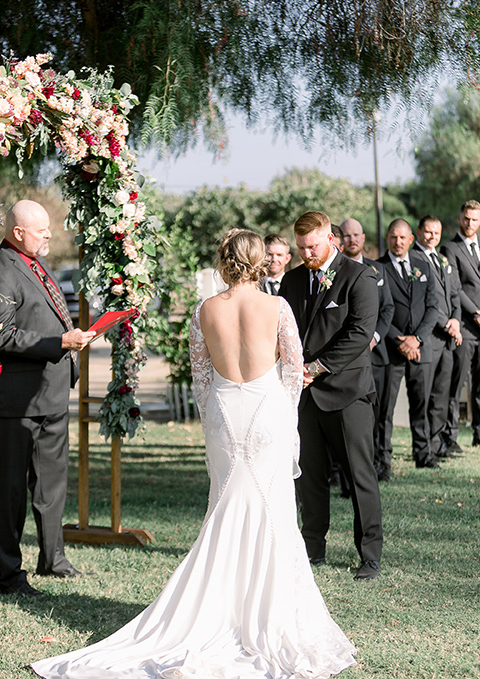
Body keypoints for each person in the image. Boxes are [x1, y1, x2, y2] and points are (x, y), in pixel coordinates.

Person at [32, 228, 357, 679]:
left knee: (224, 507)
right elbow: (291, 368)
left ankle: (215, 608)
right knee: (274, 513)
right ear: (260, 261)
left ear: (225, 260)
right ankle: (267, 613)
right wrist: (285, 422)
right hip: (267, 415)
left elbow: (201, 379)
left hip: (225, 414)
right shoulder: (277, 306)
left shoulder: (205, 311)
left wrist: (214, 424)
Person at [279, 211, 383, 581]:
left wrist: (316, 367)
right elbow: (284, 330)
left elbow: (359, 334)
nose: (306, 253)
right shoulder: (290, 281)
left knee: (359, 476)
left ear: (330, 239)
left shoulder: (359, 277)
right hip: (304, 397)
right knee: (310, 475)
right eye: (301, 247)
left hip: (348, 393)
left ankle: (370, 555)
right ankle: (312, 547)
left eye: (313, 246)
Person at [0, 200, 95, 598]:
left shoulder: (38, 264)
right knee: (8, 491)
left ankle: (53, 558)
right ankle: (6, 573)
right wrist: (60, 341)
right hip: (16, 402)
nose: (48, 235)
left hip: (53, 394)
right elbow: (3, 335)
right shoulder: (4, 267)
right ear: (18, 232)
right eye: (41, 230)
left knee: (52, 485)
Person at [377, 219, 438, 470]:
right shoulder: (376, 268)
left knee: (422, 404)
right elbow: (376, 310)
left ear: (411, 240)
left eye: (403, 238)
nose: (398, 242)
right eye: (393, 237)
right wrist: (399, 340)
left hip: (420, 348)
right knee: (385, 409)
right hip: (391, 350)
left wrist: (417, 339)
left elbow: (433, 307)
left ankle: (423, 455)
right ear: (387, 238)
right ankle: (383, 461)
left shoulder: (424, 266)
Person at [340, 218, 394, 480]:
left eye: (356, 235)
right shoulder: (334, 271)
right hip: (344, 360)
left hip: (376, 356)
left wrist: (373, 337)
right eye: (346, 235)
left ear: (363, 238)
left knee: (380, 413)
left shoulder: (377, 270)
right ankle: (340, 471)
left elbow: (388, 309)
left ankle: (379, 464)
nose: (352, 240)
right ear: (340, 239)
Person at [410, 215, 462, 459]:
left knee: (442, 394)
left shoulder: (442, 258)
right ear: (419, 232)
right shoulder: (413, 259)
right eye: (428, 232)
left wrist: (457, 322)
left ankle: (439, 444)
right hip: (429, 335)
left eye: (436, 233)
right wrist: (446, 323)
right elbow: (427, 301)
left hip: (448, 338)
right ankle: (423, 449)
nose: (432, 237)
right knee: (424, 395)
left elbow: (454, 293)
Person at [441, 200, 480, 449]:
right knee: (457, 383)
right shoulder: (450, 248)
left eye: (474, 219)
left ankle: (479, 433)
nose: (470, 223)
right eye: (466, 218)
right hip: (465, 325)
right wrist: (476, 312)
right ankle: (450, 436)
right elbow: (455, 287)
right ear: (459, 218)